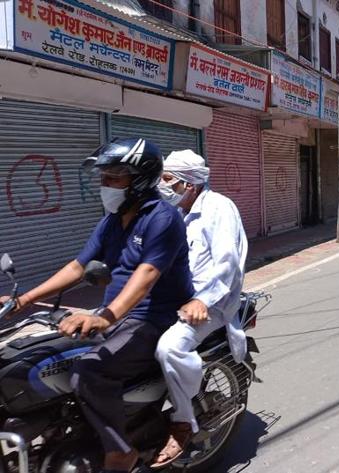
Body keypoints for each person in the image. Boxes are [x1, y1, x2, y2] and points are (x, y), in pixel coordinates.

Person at [0, 138, 194, 473]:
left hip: (153, 317)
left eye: (114, 178)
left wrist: (105, 317)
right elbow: (78, 267)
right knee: (42, 359)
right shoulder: (112, 220)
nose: (105, 186)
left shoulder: (162, 217)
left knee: (89, 370)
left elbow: (147, 275)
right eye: (103, 178)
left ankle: (120, 452)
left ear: (140, 178)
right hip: (117, 316)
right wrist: (24, 301)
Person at [150, 150, 248, 468]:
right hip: (176, 300)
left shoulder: (219, 208)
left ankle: (183, 421)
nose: (161, 186)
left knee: (170, 348)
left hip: (213, 304)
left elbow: (227, 264)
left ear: (189, 184)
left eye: (167, 180)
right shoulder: (175, 211)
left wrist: (202, 300)